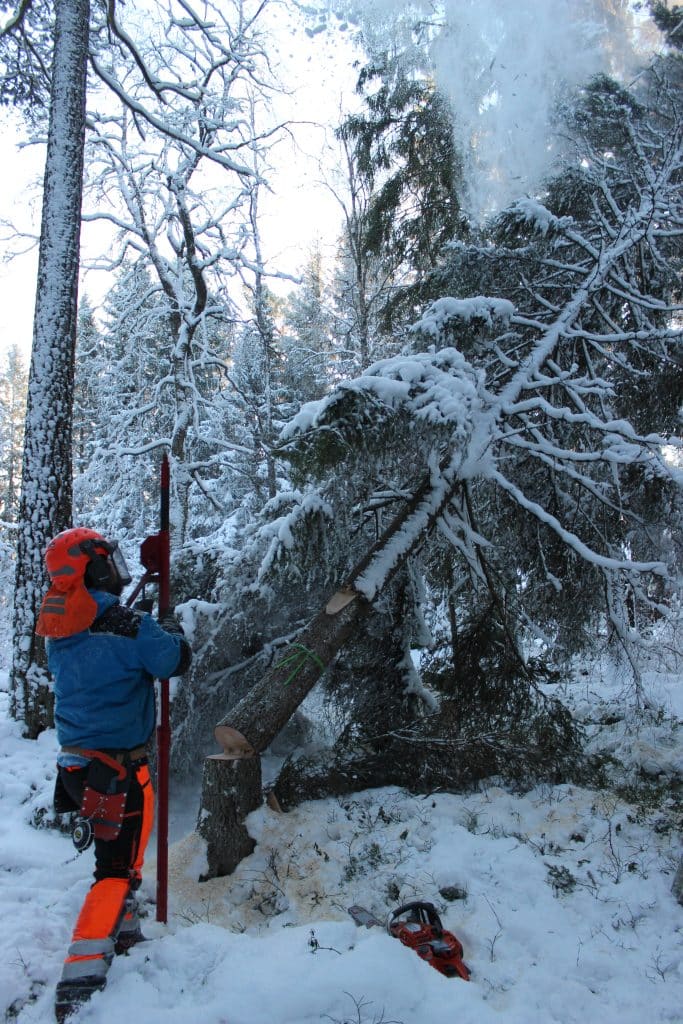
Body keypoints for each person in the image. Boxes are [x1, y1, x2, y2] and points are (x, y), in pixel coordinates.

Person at [35, 527, 192, 1023]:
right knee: (113, 870)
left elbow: (103, 647)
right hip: (114, 770)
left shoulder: (59, 621)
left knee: (123, 853)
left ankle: (122, 930)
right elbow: (173, 660)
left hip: (83, 767)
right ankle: (79, 978)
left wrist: (144, 620)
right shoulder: (124, 625)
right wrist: (168, 628)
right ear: (94, 567)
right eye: (107, 561)